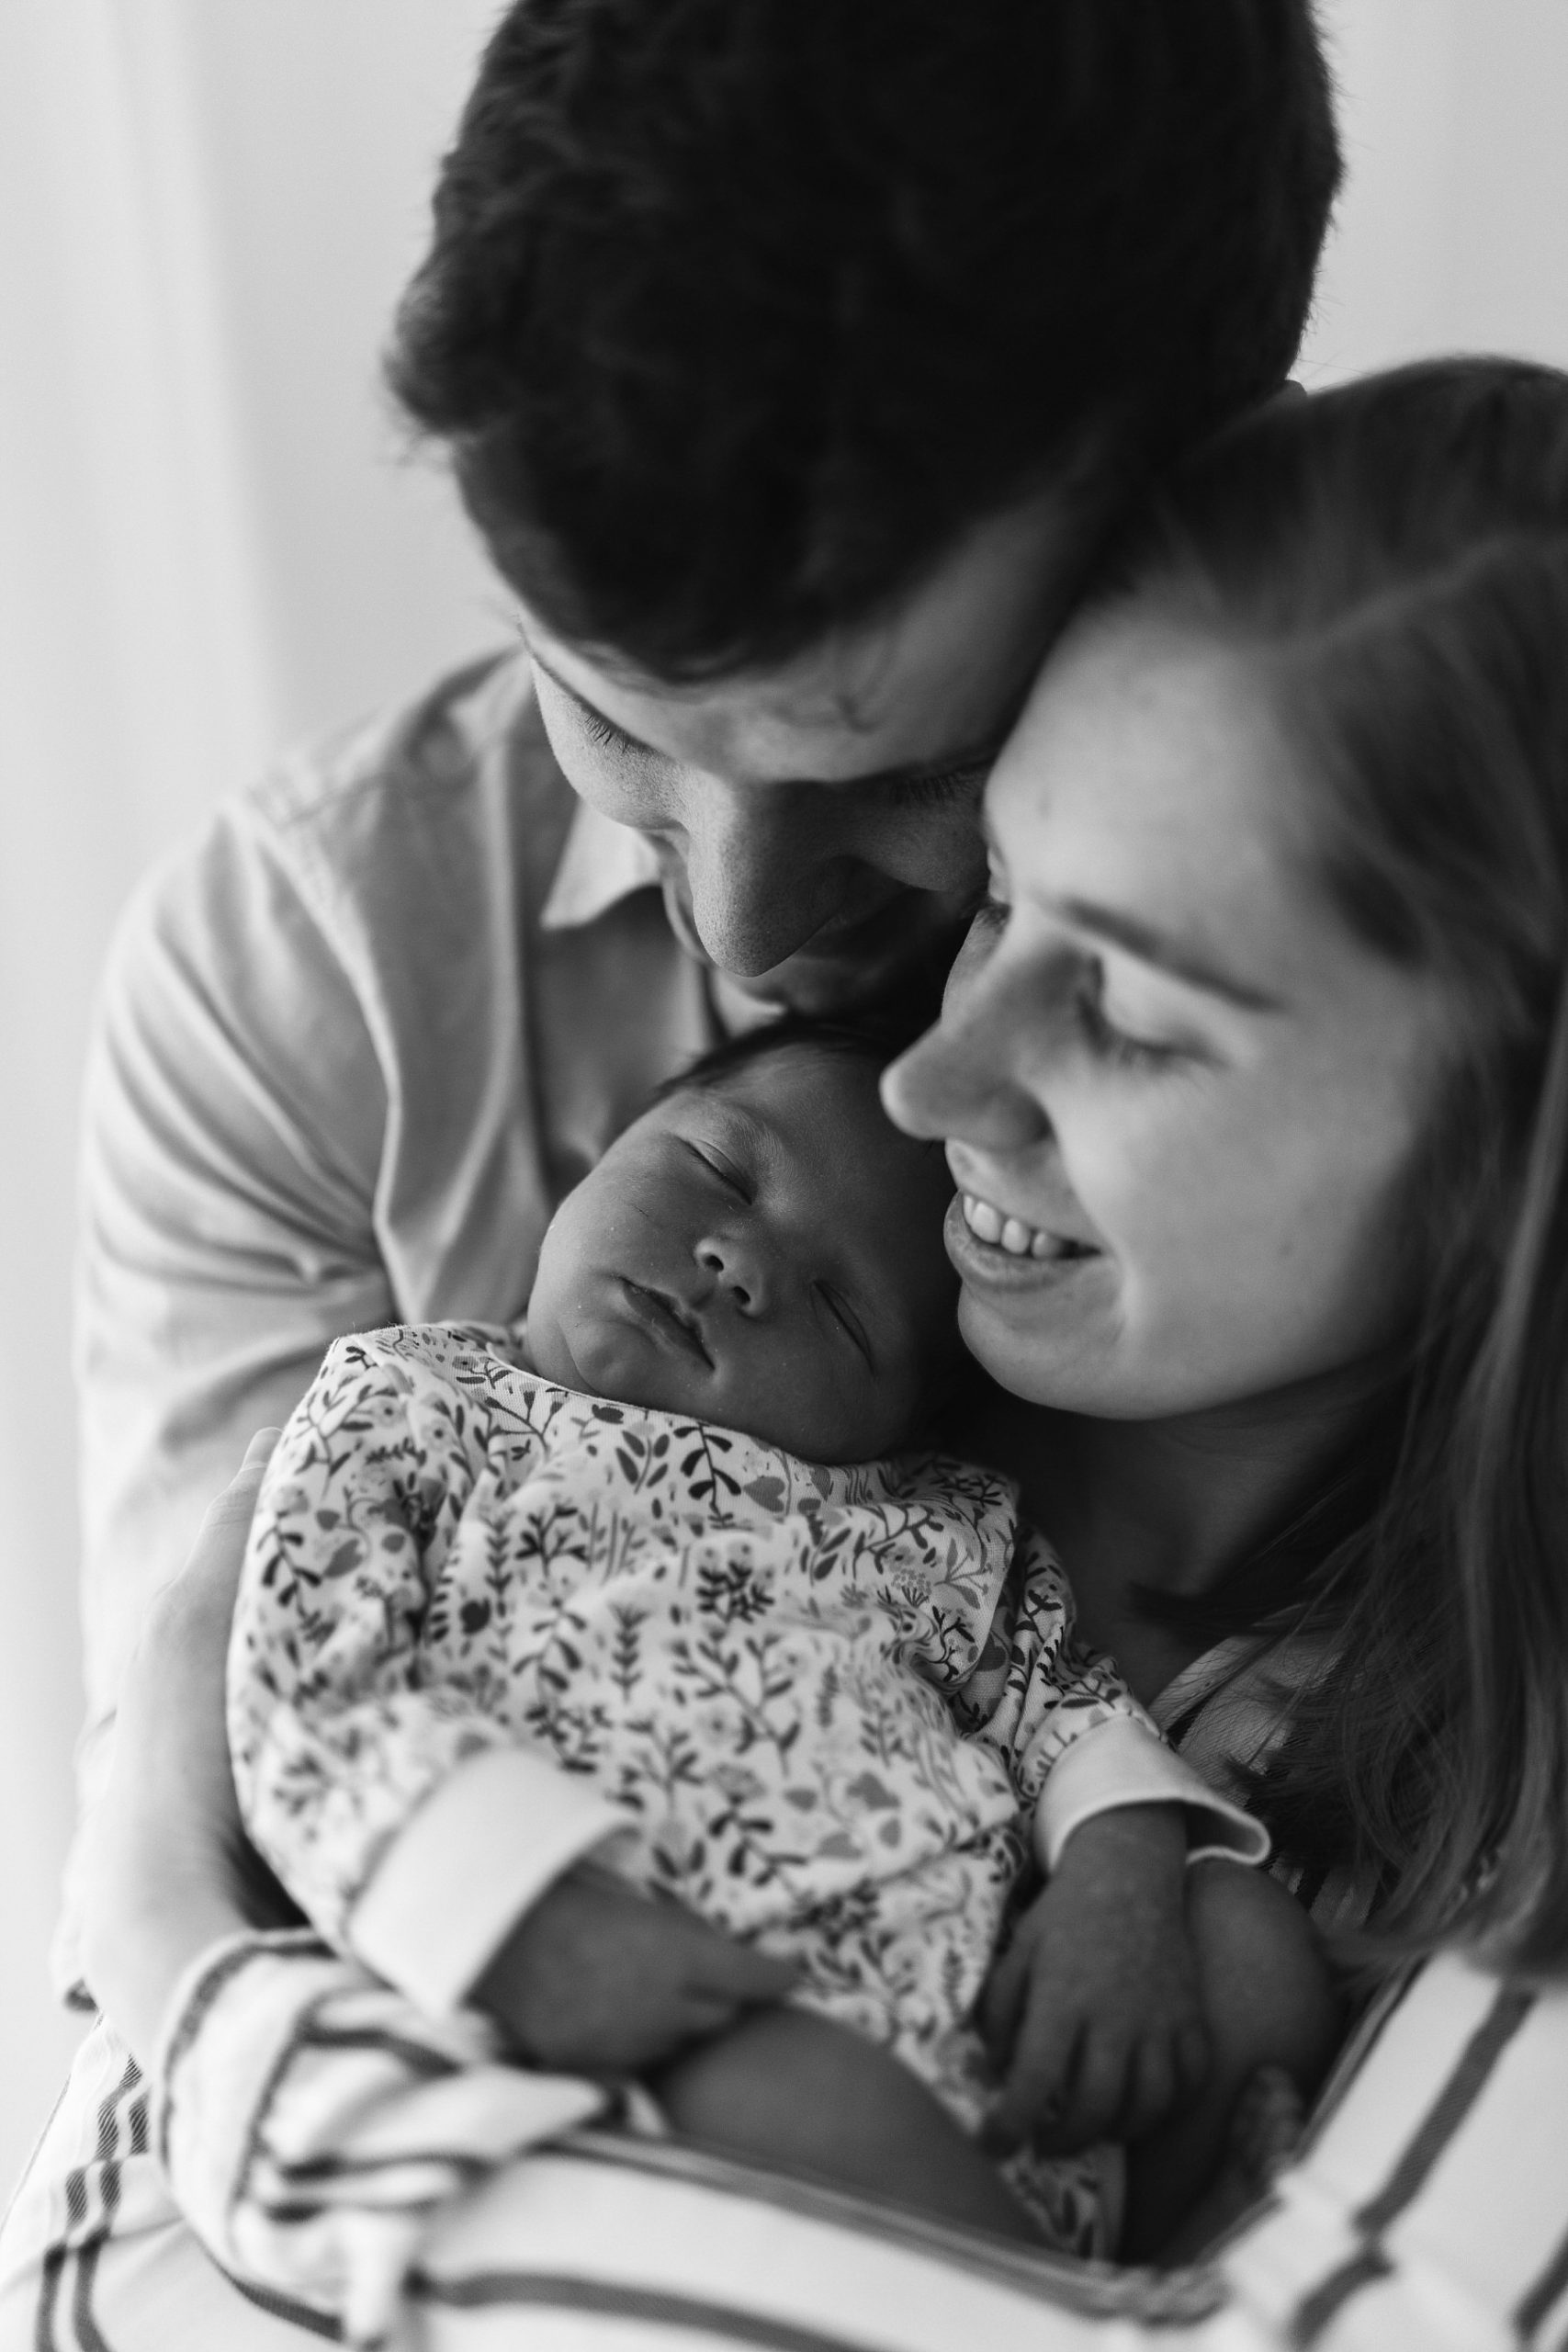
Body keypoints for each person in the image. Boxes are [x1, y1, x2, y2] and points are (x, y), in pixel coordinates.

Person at [12, 357, 1568, 2352]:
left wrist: (174, 1949)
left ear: (1495, 1172)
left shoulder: (1443, 1779)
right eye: (996, 890)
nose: (924, 1076)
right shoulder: (599, 1422)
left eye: (1133, 1016)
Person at [64, 0, 1339, 2011]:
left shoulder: (1421, 981)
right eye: (609, 713)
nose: (747, 915)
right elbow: (202, 1883)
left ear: (1221, 485)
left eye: (897, 773)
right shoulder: (306, 989)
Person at [225, 1019, 1312, 2268]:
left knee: (1249, 1945)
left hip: (1010, 2029)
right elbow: (308, 1683)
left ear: (886, 1424)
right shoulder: (411, 1398)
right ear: (599, 1151)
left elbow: (1066, 1709)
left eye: (840, 1312)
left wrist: (1116, 1896)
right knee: (787, 2087)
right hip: (689, 1992)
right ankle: (1050, 2304)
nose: (742, 1261)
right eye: (720, 1174)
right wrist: (511, 1921)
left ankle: (1146, 2225)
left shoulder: (932, 1522)